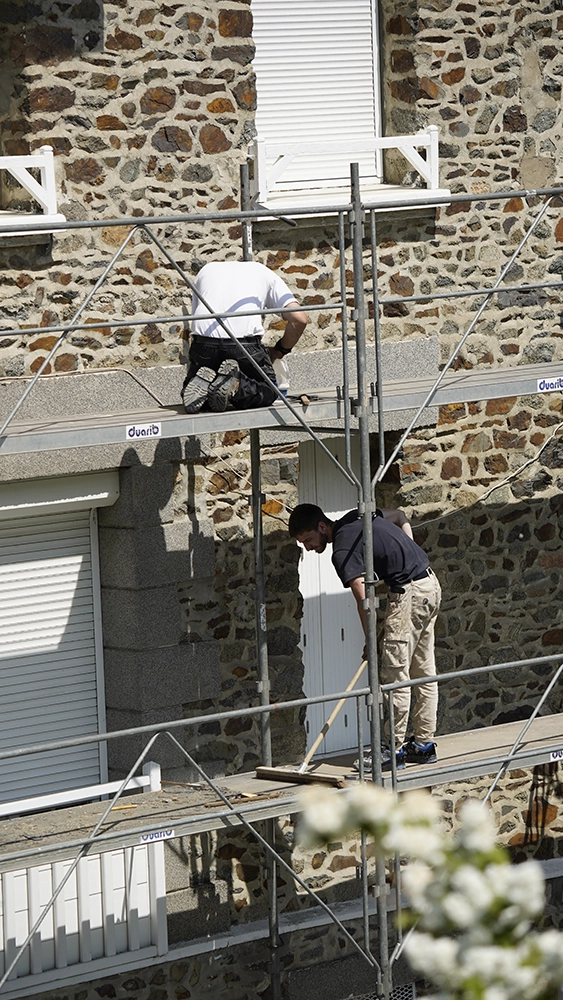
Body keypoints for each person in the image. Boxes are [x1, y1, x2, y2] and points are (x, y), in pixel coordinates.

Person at [288, 503, 442, 771]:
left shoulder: (343, 550)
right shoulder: (359, 516)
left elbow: (366, 601)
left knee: (394, 676)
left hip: (409, 594)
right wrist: (409, 554)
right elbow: (400, 516)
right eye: (302, 544)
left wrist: (371, 642)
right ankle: (424, 746)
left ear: (322, 527)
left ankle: (392, 751)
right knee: (423, 672)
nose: (308, 548)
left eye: (309, 540)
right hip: (428, 584)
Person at [182, 260, 308, 413]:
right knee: (269, 391)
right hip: (244, 345)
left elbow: (198, 320)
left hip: (204, 343)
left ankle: (205, 382)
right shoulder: (264, 272)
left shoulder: (206, 269)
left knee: (204, 400)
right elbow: (299, 319)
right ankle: (236, 384)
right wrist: (280, 350)